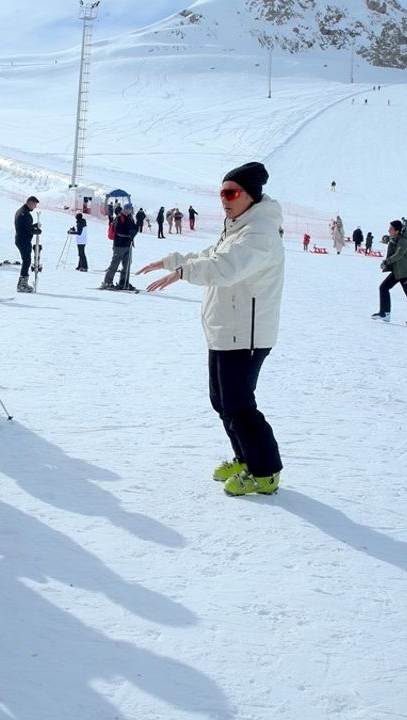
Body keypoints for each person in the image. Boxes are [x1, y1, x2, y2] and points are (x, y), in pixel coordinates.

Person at [137, 161, 284, 497]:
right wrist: (175, 260)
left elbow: (225, 267)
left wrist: (184, 273)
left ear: (250, 195)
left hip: (246, 334)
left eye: (231, 192)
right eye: (221, 193)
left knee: (239, 405)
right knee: (223, 402)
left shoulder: (259, 233)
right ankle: (245, 458)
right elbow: (212, 253)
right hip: (225, 329)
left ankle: (265, 471)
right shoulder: (238, 227)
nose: (225, 199)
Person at [372, 219, 407, 325]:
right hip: (398, 271)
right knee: (383, 288)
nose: (388, 230)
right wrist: (391, 242)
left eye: (391, 229)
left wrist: (387, 261)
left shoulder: (403, 241)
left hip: (405, 272)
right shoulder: (395, 240)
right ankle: (385, 313)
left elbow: (399, 255)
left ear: (396, 231)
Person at [102, 203, 138, 291]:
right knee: (115, 264)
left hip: (128, 245)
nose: (127, 210)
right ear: (123, 209)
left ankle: (124, 282)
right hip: (119, 245)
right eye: (126, 209)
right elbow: (119, 230)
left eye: (129, 209)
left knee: (127, 265)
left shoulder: (130, 218)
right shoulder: (119, 218)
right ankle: (107, 282)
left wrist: (135, 230)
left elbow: (134, 228)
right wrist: (129, 233)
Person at [13, 196, 41, 293]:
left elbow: (26, 226)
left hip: (21, 239)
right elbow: (28, 229)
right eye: (34, 204)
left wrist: (34, 227)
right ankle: (22, 284)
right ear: (30, 203)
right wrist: (35, 230)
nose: (35, 207)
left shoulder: (22, 212)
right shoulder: (24, 214)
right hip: (23, 240)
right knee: (26, 261)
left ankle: (23, 283)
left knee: (27, 260)